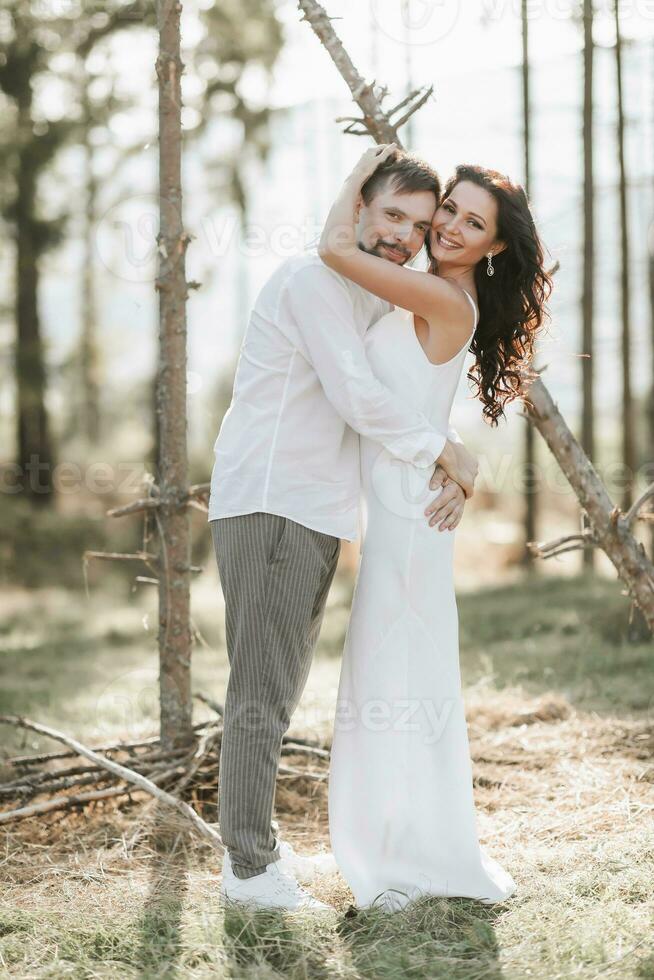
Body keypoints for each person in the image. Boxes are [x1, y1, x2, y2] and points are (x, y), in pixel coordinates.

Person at [208, 149, 479, 911]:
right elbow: (358, 396)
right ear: (358, 205)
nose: (404, 237)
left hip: (319, 512)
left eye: (420, 227)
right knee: (261, 685)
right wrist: (444, 450)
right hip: (272, 501)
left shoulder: (366, 294)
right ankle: (249, 870)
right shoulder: (312, 282)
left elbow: (394, 385)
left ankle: (252, 842)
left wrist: (441, 456)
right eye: (393, 214)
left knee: (281, 680)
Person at [321, 144, 553, 911]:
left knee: (394, 683)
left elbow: (332, 247)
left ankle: (403, 860)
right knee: (393, 680)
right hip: (405, 503)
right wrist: (458, 458)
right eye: (447, 208)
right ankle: (403, 847)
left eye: (470, 221)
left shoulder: (444, 299)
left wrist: (364, 171)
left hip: (410, 516)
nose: (449, 225)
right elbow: (413, 402)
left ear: (495, 247)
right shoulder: (431, 292)